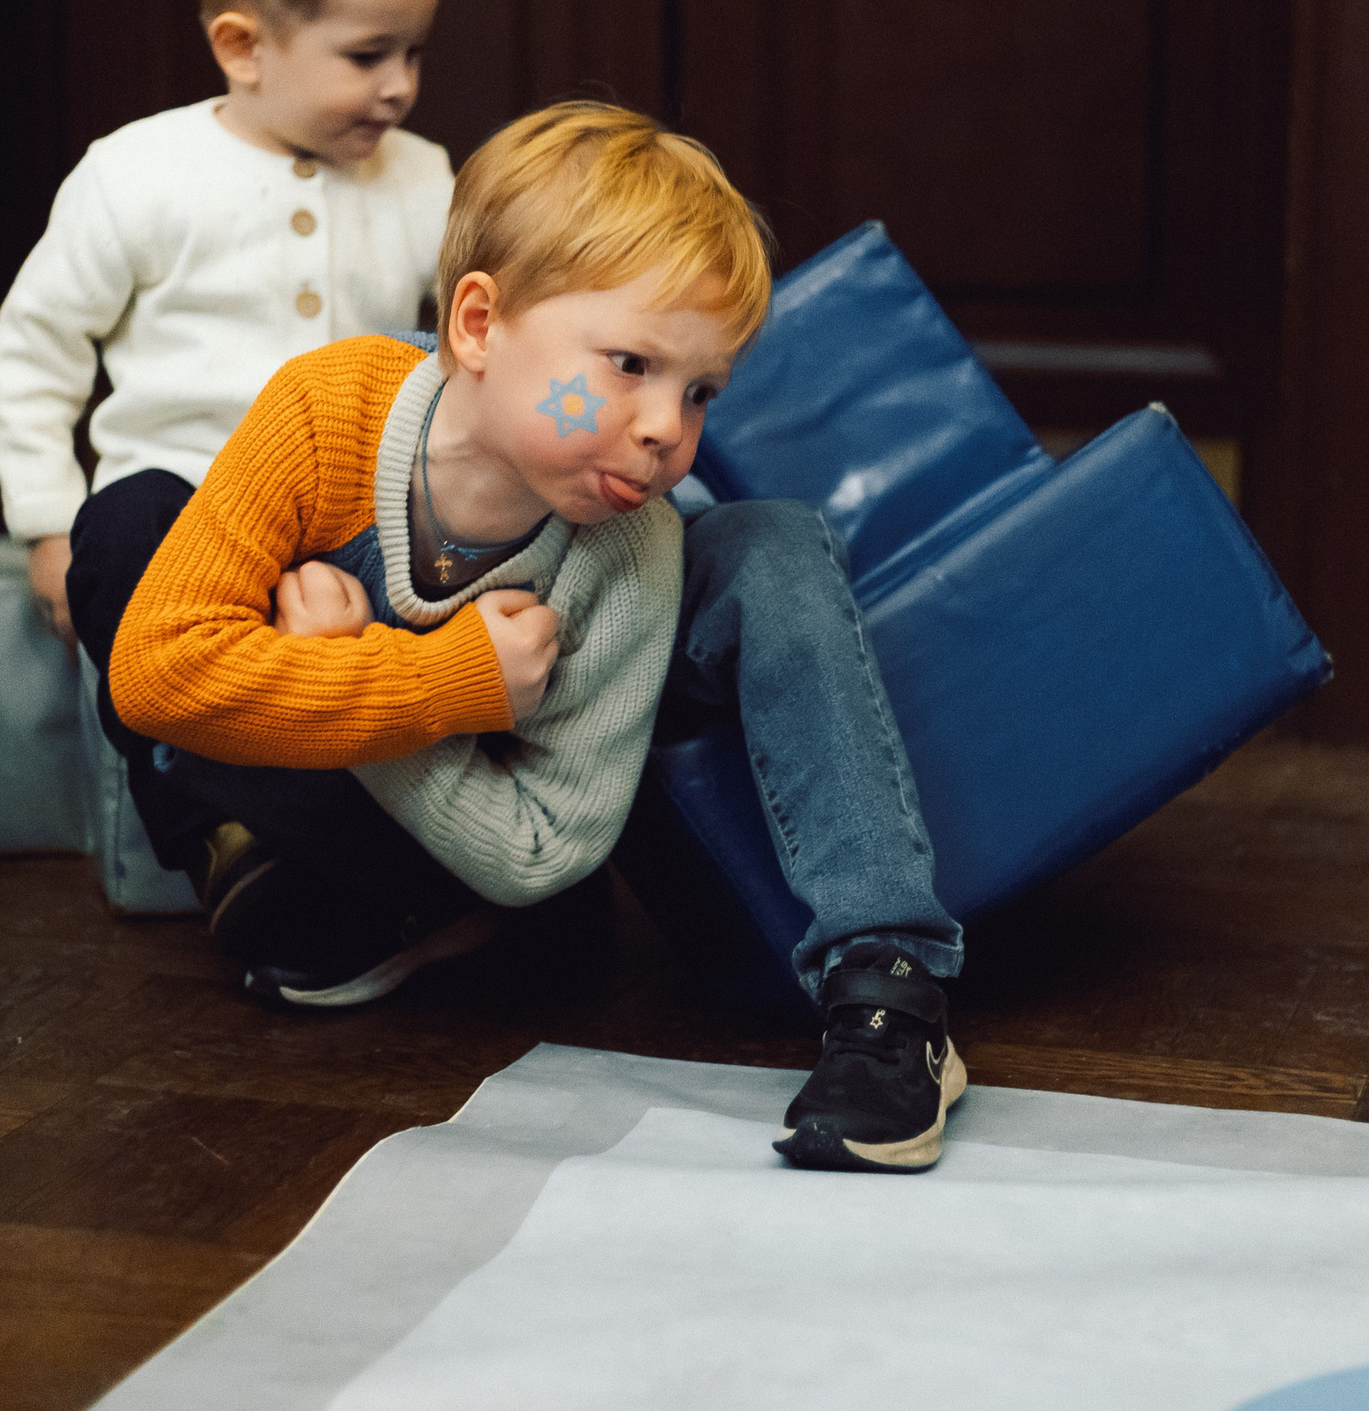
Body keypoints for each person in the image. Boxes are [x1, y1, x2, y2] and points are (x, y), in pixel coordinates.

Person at [84, 103, 970, 1173]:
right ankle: (318, 900)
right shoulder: (327, 411)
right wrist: (440, 678)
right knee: (130, 523)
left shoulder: (632, 549)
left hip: (479, 845)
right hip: (363, 808)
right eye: (628, 365)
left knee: (764, 547)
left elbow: (543, 846)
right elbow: (152, 675)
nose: (665, 430)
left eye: (699, 394)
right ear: (476, 326)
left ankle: (887, 995)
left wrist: (368, 687)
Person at [0, 0, 452, 652]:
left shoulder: (420, 177)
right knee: (126, 534)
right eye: (368, 55)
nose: (400, 86)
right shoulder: (137, 172)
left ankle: (343, 740)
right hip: (182, 496)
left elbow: (473, 335)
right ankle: (176, 754)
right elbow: (38, 348)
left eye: (413, 53)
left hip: (342, 516)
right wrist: (48, 526)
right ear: (243, 48)